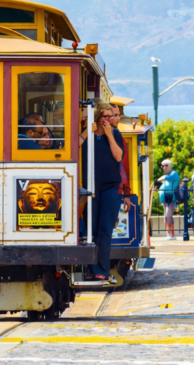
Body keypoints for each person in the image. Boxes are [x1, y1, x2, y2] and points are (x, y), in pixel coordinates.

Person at [79, 102, 125, 282]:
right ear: (97, 117)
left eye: (111, 116)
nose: (109, 119)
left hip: (110, 188)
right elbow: (74, 147)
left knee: (105, 229)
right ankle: (91, 269)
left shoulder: (115, 133)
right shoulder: (87, 133)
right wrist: (86, 131)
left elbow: (119, 156)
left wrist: (110, 136)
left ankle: (102, 271)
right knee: (92, 229)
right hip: (90, 188)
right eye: (106, 116)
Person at [155, 159, 180, 240]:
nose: (164, 167)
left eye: (166, 165)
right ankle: (170, 234)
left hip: (171, 197)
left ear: (170, 165)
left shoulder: (174, 173)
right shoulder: (168, 176)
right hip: (164, 197)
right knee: (166, 216)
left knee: (168, 215)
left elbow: (164, 178)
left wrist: (161, 178)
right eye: (163, 166)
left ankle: (170, 234)